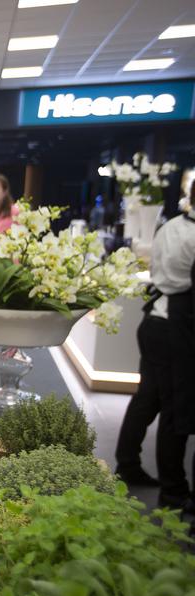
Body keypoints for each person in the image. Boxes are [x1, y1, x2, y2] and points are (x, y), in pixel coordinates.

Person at [114, 178, 195, 509]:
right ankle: (174, 491)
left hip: (155, 322)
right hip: (176, 328)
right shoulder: (188, 233)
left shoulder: (172, 226)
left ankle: (128, 464)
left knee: (147, 399)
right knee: (176, 409)